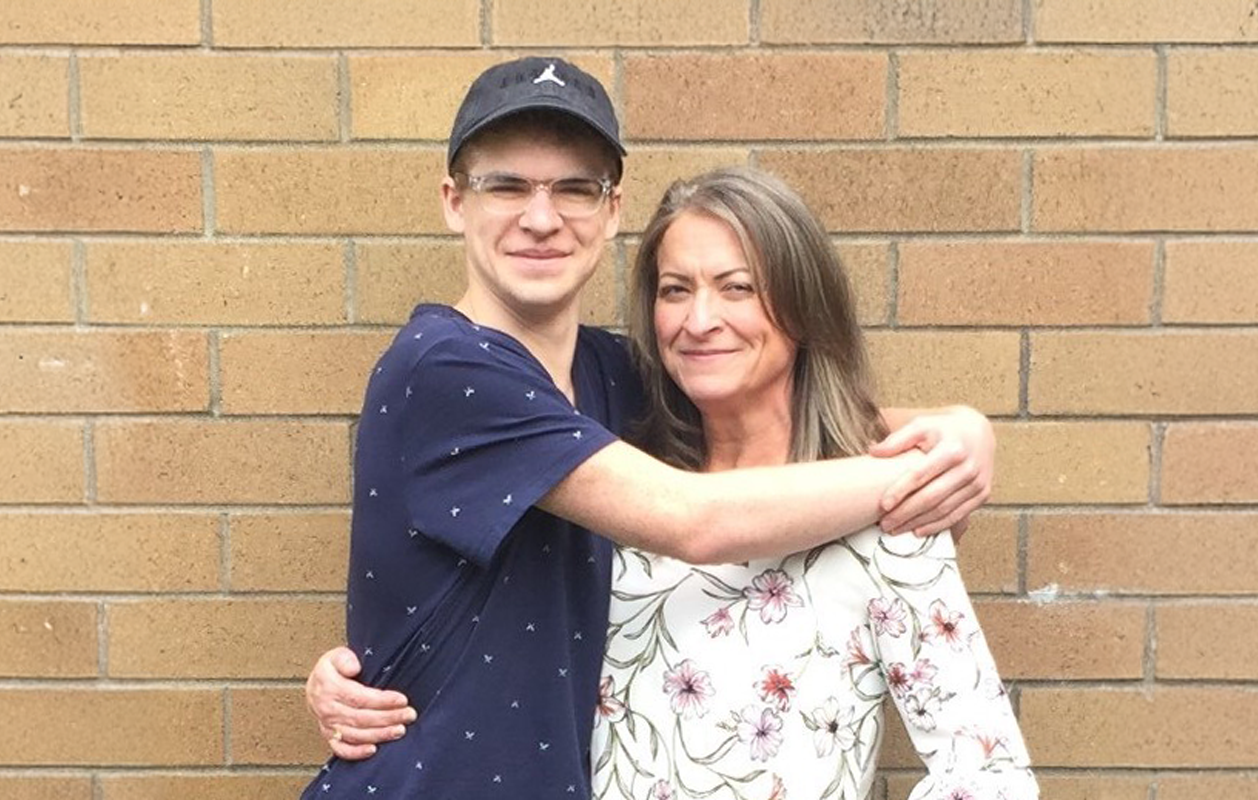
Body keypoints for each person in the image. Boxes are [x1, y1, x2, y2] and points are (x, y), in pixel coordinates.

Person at [298, 58, 997, 799]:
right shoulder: (443, 369)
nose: (542, 217)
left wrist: (960, 429)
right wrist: (915, 471)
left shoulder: (610, 376)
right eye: (506, 185)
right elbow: (689, 519)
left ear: (612, 208)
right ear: (453, 201)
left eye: (574, 188)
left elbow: (768, 409)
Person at [591, 166, 1035, 799]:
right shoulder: (624, 493)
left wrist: (965, 427)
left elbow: (989, 777)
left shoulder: (889, 509)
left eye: (737, 287)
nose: (700, 319)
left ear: (803, 305)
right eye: (674, 290)